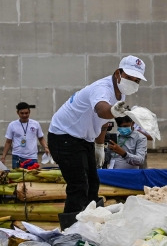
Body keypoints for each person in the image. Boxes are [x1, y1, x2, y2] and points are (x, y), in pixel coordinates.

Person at [48, 55, 146, 230]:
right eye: (130, 78)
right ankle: (71, 231)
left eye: (137, 80)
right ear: (118, 73)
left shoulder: (120, 92)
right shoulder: (102, 88)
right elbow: (102, 111)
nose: (133, 82)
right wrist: (113, 111)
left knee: (93, 182)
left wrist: (99, 146)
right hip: (63, 136)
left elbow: (103, 124)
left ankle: (93, 224)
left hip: (83, 139)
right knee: (79, 184)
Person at [1, 102, 49, 169]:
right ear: (17, 113)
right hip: (17, 157)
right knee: (17, 178)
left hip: (32, 157)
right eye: (22, 113)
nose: (24, 115)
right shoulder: (12, 125)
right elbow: (8, 142)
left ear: (29, 112)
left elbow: (41, 138)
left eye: (26, 113)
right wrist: (3, 157)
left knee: (32, 178)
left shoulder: (35, 124)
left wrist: (46, 147)